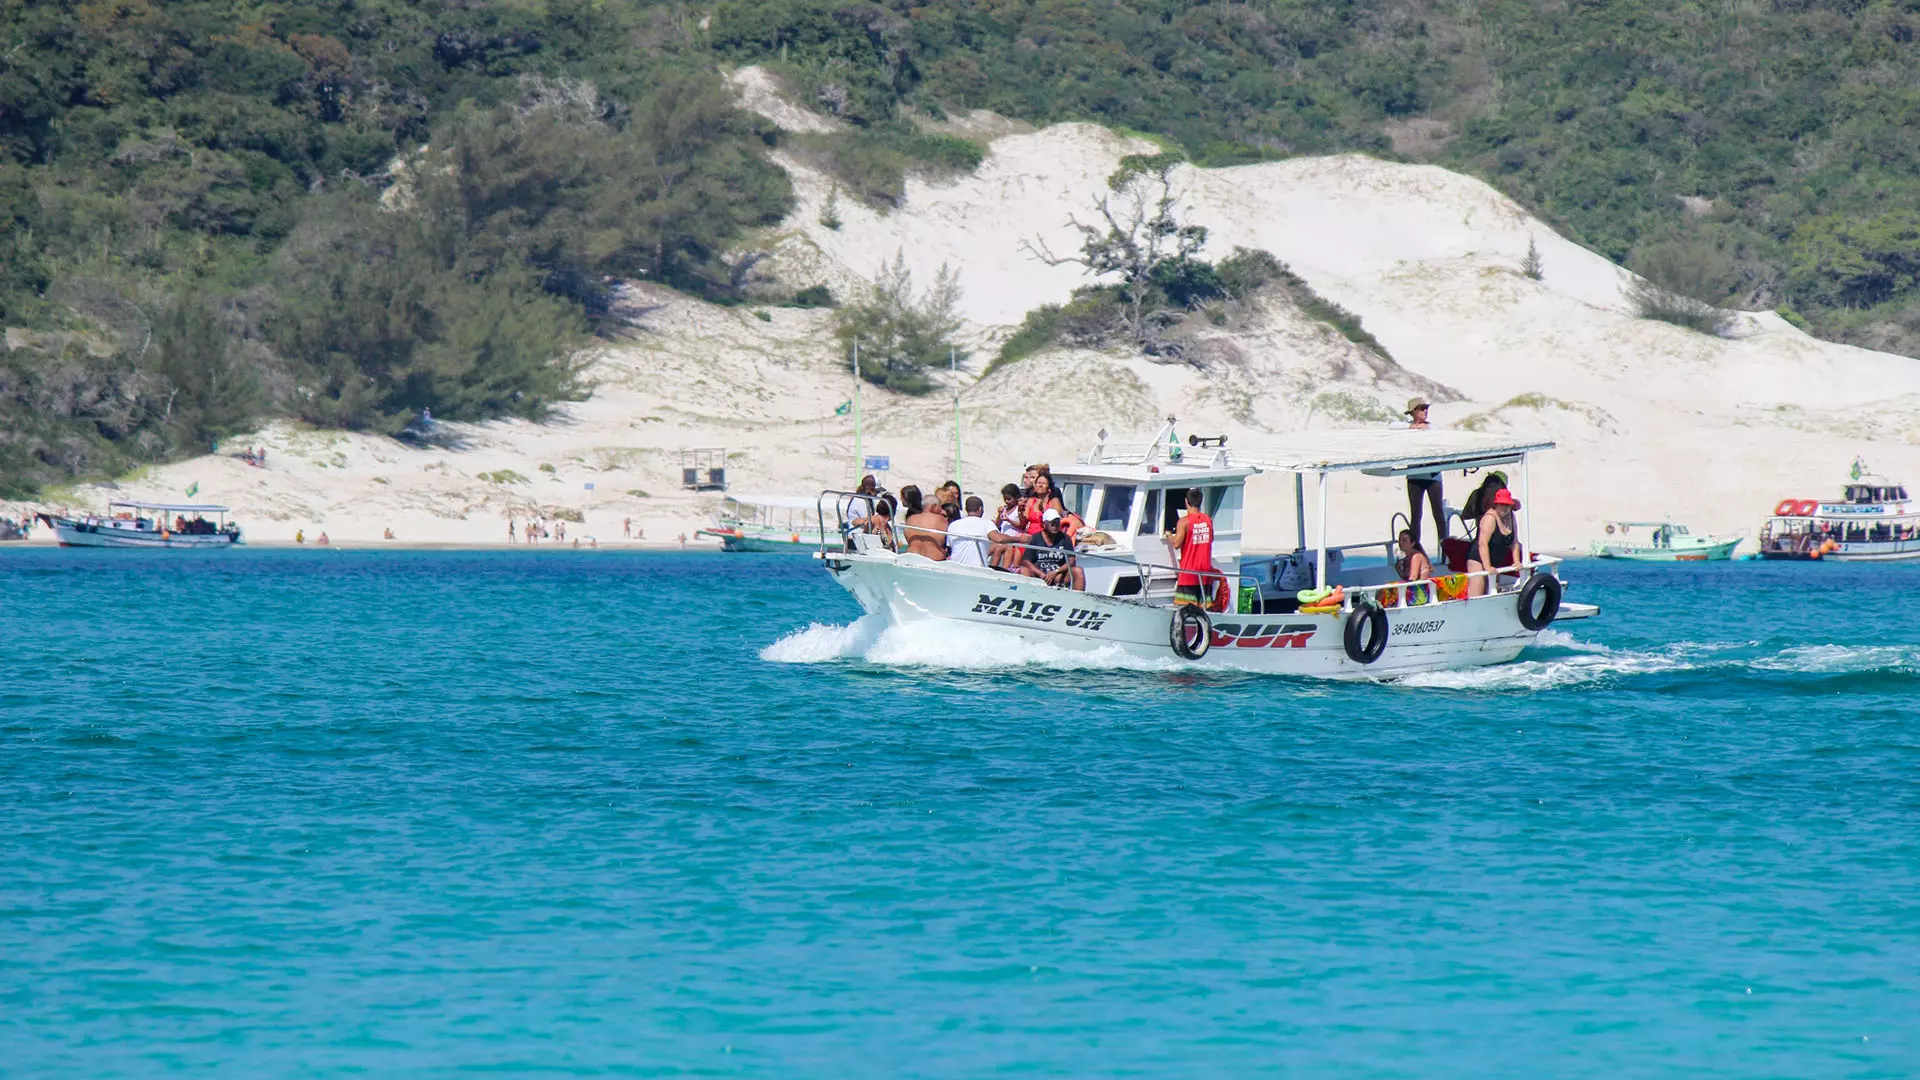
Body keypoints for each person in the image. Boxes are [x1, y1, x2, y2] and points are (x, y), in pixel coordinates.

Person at [1403, 397, 1446, 551]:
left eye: (1426, 408)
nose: (1425, 411)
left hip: (1433, 475)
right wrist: (1412, 428)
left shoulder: (1434, 428)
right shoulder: (1405, 428)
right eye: (1421, 408)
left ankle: (1445, 548)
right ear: (1413, 412)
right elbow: (1393, 426)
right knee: (1416, 515)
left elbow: (1443, 438)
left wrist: (1425, 430)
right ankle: (1416, 550)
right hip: (1415, 475)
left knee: (1438, 513)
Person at [1165, 487, 1214, 607]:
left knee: (1185, 610)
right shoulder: (1207, 520)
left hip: (1188, 573)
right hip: (1205, 573)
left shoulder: (1183, 522)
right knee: (1203, 610)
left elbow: (1176, 544)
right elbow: (1211, 539)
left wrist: (1168, 534)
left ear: (1186, 501)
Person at [1468, 488, 1520, 596]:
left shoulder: (1511, 516)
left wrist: (1517, 561)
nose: (1505, 508)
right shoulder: (1490, 518)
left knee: (1493, 592)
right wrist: (1487, 567)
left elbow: (1514, 542)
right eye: (1502, 504)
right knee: (1477, 594)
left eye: (1507, 505)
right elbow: (1482, 544)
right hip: (1478, 559)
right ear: (1495, 505)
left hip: (1494, 562)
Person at [1019, 508, 1083, 589]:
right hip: (1039, 575)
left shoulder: (1065, 538)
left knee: (1078, 571)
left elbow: (1071, 560)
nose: (1055, 526)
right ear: (1044, 524)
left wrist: (1056, 572)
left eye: (1057, 523)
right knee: (1024, 570)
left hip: (1057, 575)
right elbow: (1026, 561)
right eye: (1052, 523)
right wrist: (1041, 574)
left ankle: (1078, 599)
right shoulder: (1035, 538)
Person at [946, 496, 1015, 568]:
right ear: (980, 509)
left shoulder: (953, 525)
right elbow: (999, 539)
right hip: (977, 570)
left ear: (966, 509)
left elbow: (950, 547)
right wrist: (1019, 539)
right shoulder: (986, 523)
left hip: (954, 567)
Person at [899, 485, 948, 561]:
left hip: (911, 557)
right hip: (933, 560)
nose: (941, 509)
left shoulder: (910, 519)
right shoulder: (941, 520)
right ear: (933, 506)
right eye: (940, 506)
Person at [1396, 529, 1434, 605]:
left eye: (1404, 540)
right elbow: (1406, 578)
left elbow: (1413, 578)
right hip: (1413, 590)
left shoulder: (1416, 556)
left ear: (1412, 543)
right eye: (1399, 540)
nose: (1401, 543)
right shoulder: (1407, 558)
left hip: (1419, 594)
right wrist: (1399, 568)